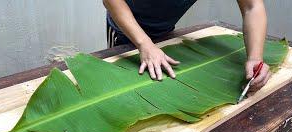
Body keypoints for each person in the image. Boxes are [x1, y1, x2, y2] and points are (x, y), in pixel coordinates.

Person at [103, 0, 270, 90]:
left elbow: (252, 6)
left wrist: (255, 57)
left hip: (165, 29)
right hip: (126, 32)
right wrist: (144, 44)